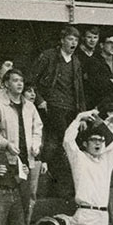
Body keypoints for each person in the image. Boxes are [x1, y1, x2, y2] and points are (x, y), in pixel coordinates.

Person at [30, 25, 86, 197]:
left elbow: (80, 90)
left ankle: (62, 185)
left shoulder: (76, 62)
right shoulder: (48, 56)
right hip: (53, 106)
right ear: (62, 40)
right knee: (58, 142)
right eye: (70, 39)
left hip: (71, 109)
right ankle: (53, 182)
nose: (73, 43)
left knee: (65, 143)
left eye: (76, 40)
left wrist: (82, 115)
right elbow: (31, 80)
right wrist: (40, 100)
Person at [0, 69, 43, 224]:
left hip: (26, 161)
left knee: (25, 201)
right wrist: (6, 144)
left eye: (21, 81)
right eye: (15, 80)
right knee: (5, 204)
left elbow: (37, 128)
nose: (19, 84)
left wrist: (36, 144)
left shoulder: (30, 106)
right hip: (6, 161)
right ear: (6, 83)